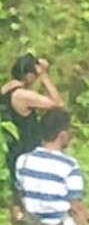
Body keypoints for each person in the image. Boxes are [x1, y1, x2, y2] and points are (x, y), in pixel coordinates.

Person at [2, 54, 65, 213]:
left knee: (19, 193)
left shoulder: (6, 90)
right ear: (29, 75)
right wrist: (44, 76)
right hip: (27, 149)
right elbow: (57, 104)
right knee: (32, 195)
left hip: (13, 148)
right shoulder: (22, 95)